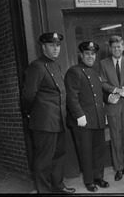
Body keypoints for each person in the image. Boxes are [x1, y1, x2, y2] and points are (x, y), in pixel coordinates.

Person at [21, 32, 75, 194]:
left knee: (58, 156)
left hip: (59, 119)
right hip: (44, 121)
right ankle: (44, 190)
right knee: (44, 159)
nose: (56, 48)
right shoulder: (36, 66)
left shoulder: (55, 65)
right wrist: (31, 113)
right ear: (43, 46)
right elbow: (28, 95)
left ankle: (58, 187)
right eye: (52, 45)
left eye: (58, 45)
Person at [64, 41, 110, 192]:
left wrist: (108, 98)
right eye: (87, 54)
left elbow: (97, 94)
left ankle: (98, 177)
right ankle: (89, 181)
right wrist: (78, 114)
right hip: (82, 120)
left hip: (97, 118)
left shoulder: (95, 72)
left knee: (99, 150)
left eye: (92, 54)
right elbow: (71, 96)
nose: (90, 56)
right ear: (81, 55)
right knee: (86, 151)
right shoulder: (74, 71)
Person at [99, 35, 124, 181]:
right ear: (110, 48)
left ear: (123, 46)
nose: (116, 49)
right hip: (113, 106)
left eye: (119, 46)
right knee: (115, 138)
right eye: (114, 47)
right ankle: (119, 168)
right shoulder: (103, 63)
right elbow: (103, 83)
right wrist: (116, 90)